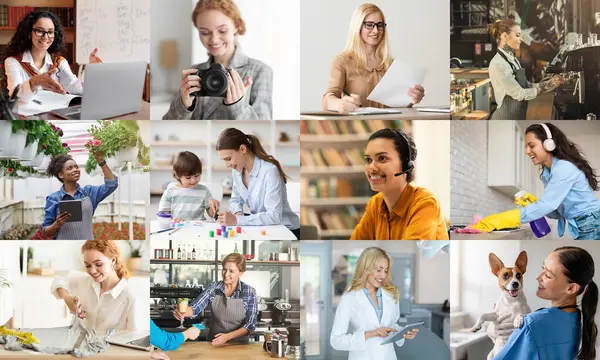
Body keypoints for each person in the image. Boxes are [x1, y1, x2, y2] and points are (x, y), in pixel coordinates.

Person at [471, 123, 600, 240]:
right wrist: (534, 203)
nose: (527, 152)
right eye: (526, 147)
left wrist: (501, 219)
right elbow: (555, 213)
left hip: (591, 222)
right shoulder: (547, 173)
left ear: (549, 144)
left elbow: (547, 205)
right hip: (586, 223)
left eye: (531, 146)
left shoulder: (563, 168)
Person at [163, 0, 272, 120]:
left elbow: (262, 124)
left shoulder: (259, 71)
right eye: (205, 32)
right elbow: (167, 122)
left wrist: (237, 105)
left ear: (237, 26)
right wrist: (184, 104)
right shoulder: (195, 72)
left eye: (222, 31)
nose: (214, 40)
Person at [491, 246, 598, 360]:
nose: (538, 277)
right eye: (542, 268)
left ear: (571, 288)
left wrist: (493, 334)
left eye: (547, 275)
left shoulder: (530, 325)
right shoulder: (577, 319)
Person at [322, 3, 425, 113]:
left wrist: (411, 99)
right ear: (358, 26)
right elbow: (328, 99)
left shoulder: (391, 64)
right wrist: (338, 104)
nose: (376, 30)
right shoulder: (342, 62)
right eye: (369, 25)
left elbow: (396, 108)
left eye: (379, 25)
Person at [351, 128, 448, 240]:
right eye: (368, 160)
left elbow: (412, 253)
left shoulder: (425, 202)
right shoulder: (375, 204)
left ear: (405, 165)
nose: (372, 167)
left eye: (382, 158)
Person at [330, 247, 417, 360]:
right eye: (379, 270)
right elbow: (336, 340)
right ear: (366, 268)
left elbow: (391, 325)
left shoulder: (390, 295)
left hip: (388, 356)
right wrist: (370, 334)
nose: (383, 275)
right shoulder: (350, 298)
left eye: (385, 270)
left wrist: (402, 332)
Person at [215, 128, 300, 239]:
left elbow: (274, 216)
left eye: (228, 158)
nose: (227, 165)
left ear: (242, 149)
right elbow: (235, 200)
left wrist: (237, 220)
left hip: (286, 231)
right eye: (224, 160)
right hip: (263, 228)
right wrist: (238, 214)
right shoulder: (237, 172)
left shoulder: (269, 171)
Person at [4, 10, 102, 103]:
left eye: (50, 32)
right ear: (29, 33)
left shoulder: (59, 62)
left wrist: (92, 69)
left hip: (53, 114)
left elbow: (76, 89)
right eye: (40, 31)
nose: (46, 37)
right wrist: (36, 81)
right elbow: (15, 96)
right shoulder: (13, 62)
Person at [51, 240, 137, 332]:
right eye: (88, 266)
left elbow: (133, 335)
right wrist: (67, 297)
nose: (92, 271)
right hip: (78, 344)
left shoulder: (129, 296)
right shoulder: (83, 281)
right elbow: (59, 281)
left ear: (113, 260)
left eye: (98, 264)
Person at [174, 253, 258, 345]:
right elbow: (195, 307)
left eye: (231, 271)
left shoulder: (249, 292)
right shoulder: (214, 288)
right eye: (224, 269)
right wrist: (183, 312)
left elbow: (250, 324)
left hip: (239, 345)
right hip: (215, 342)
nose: (226, 274)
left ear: (241, 273)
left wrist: (227, 336)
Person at [488, 19, 563, 120]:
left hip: (517, 119)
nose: (520, 40)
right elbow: (520, 94)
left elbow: (527, 86)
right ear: (505, 36)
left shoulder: (513, 60)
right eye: (518, 35)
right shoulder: (499, 64)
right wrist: (547, 87)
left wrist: (550, 82)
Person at [43, 153, 118, 240]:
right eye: (69, 168)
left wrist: (102, 162)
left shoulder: (89, 192)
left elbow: (112, 184)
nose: (75, 170)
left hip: (87, 243)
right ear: (61, 175)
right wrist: (56, 224)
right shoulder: (53, 198)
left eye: (76, 167)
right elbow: (46, 232)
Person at [158, 151, 219, 221]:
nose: (193, 180)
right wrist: (172, 220)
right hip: (178, 228)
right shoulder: (170, 192)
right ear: (178, 175)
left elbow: (212, 215)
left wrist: (214, 207)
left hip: (198, 229)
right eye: (188, 177)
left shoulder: (203, 190)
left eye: (197, 175)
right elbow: (162, 215)